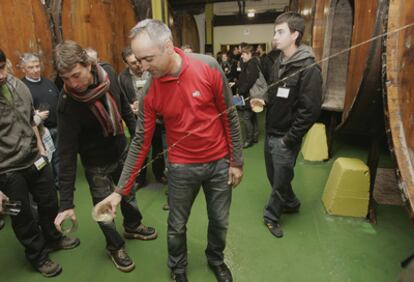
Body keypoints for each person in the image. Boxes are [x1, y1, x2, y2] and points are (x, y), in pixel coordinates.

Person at [96, 19, 243, 282]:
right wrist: (119, 192)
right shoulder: (150, 92)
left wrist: (236, 161)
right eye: (138, 60)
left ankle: (216, 260)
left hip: (218, 163)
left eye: (147, 59)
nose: (142, 68)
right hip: (181, 167)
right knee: (176, 226)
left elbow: (229, 116)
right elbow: (140, 142)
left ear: (168, 46)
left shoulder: (207, 66)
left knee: (219, 221)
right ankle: (177, 268)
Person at [52, 40, 157, 273]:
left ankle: (132, 226)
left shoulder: (108, 74)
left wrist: (137, 142)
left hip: (121, 151)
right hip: (95, 164)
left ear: (89, 65)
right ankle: (115, 246)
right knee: (104, 210)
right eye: (65, 78)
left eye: (76, 75)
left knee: (128, 195)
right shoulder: (67, 104)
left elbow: (123, 109)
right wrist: (66, 204)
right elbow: (66, 154)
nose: (72, 84)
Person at [0, 49, 80, 277]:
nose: (0, 75)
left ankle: (54, 239)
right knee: (23, 215)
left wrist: (41, 147)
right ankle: (38, 256)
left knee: (48, 202)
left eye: (2, 67)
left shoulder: (17, 85)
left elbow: (29, 119)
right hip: (7, 168)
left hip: (34, 158)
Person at [251, 12, 322, 238]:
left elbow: (309, 111)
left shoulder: (309, 68)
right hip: (271, 132)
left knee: (280, 181)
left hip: (285, 137)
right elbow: (275, 92)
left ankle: (271, 216)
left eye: (280, 32)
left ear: (295, 35)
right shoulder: (278, 62)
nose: (275, 37)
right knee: (275, 177)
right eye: (275, 32)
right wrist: (263, 99)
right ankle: (291, 202)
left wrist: (289, 139)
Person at [119, 47, 167, 187]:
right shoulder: (122, 78)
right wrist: (131, 107)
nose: (138, 65)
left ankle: (159, 174)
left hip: (156, 119)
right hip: (138, 120)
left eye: (139, 61)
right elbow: (122, 100)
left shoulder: (152, 72)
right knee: (140, 149)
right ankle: (140, 179)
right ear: (126, 64)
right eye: (133, 63)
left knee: (158, 148)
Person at [20, 53, 60, 188]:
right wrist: (36, 116)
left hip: (57, 127)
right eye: (31, 67)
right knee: (45, 159)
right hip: (40, 131)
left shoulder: (48, 82)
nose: (35, 70)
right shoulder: (22, 87)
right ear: (23, 69)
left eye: (37, 66)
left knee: (58, 157)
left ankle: (59, 182)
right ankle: (48, 184)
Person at [237, 45, 261, 148]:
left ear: (249, 54)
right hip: (251, 94)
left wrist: (241, 91)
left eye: (243, 54)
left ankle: (249, 140)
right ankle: (254, 137)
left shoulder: (251, 64)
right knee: (253, 116)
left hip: (249, 95)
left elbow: (249, 81)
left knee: (246, 117)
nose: (242, 56)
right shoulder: (251, 63)